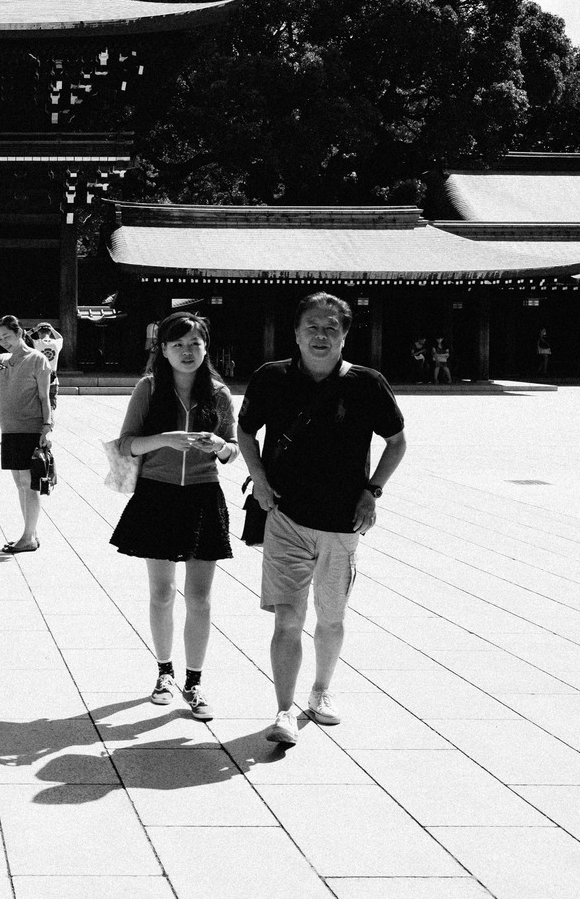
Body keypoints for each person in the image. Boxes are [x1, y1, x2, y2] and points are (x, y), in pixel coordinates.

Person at [237, 292, 407, 745]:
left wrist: (372, 493)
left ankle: (322, 690)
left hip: (342, 523)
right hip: (286, 517)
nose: (321, 335)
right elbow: (245, 431)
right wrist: (259, 478)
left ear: (346, 335)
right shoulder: (271, 378)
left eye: (332, 327)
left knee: (330, 616)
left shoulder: (367, 383)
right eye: (312, 326)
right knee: (288, 618)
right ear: (295, 332)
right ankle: (283, 711)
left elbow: (397, 442)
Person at [110, 312, 239, 722]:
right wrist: (165, 440)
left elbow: (233, 450)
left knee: (199, 598)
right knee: (162, 592)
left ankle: (195, 682)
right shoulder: (149, 388)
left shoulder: (218, 393)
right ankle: (164, 673)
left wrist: (219, 444)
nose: (187, 352)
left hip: (203, 496)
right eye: (178, 344)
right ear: (163, 350)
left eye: (195, 344)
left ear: (206, 348)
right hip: (158, 496)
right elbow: (126, 444)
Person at [0, 314, 54, 554]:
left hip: (30, 428)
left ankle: (28, 537)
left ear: (19, 334)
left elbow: (45, 398)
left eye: (7, 336)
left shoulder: (37, 359)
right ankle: (30, 533)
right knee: (19, 483)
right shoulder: (2, 359)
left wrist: (47, 426)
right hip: (9, 429)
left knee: (29, 484)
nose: (3, 341)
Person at [30, 322, 63, 409]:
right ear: (50, 332)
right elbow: (60, 337)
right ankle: (50, 421)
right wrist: (52, 329)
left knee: (39, 406)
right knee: (51, 406)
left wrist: (34, 329)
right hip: (53, 379)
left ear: (39, 332)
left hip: (39, 378)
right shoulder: (56, 343)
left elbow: (22, 337)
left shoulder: (37, 343)